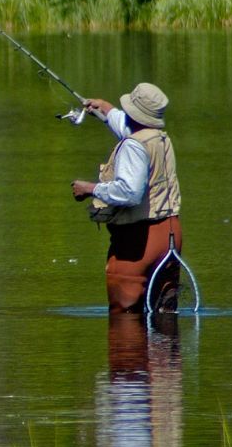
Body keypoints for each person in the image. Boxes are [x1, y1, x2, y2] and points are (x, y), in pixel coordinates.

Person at [71, 83, 183, 313]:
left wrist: (91, 189)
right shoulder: (159, 138)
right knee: (165, 319)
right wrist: (106, 110)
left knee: (125, 321)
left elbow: (130, 193)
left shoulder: (133, 146)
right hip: (170, 235)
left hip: (137, 241)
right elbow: (131, 129)